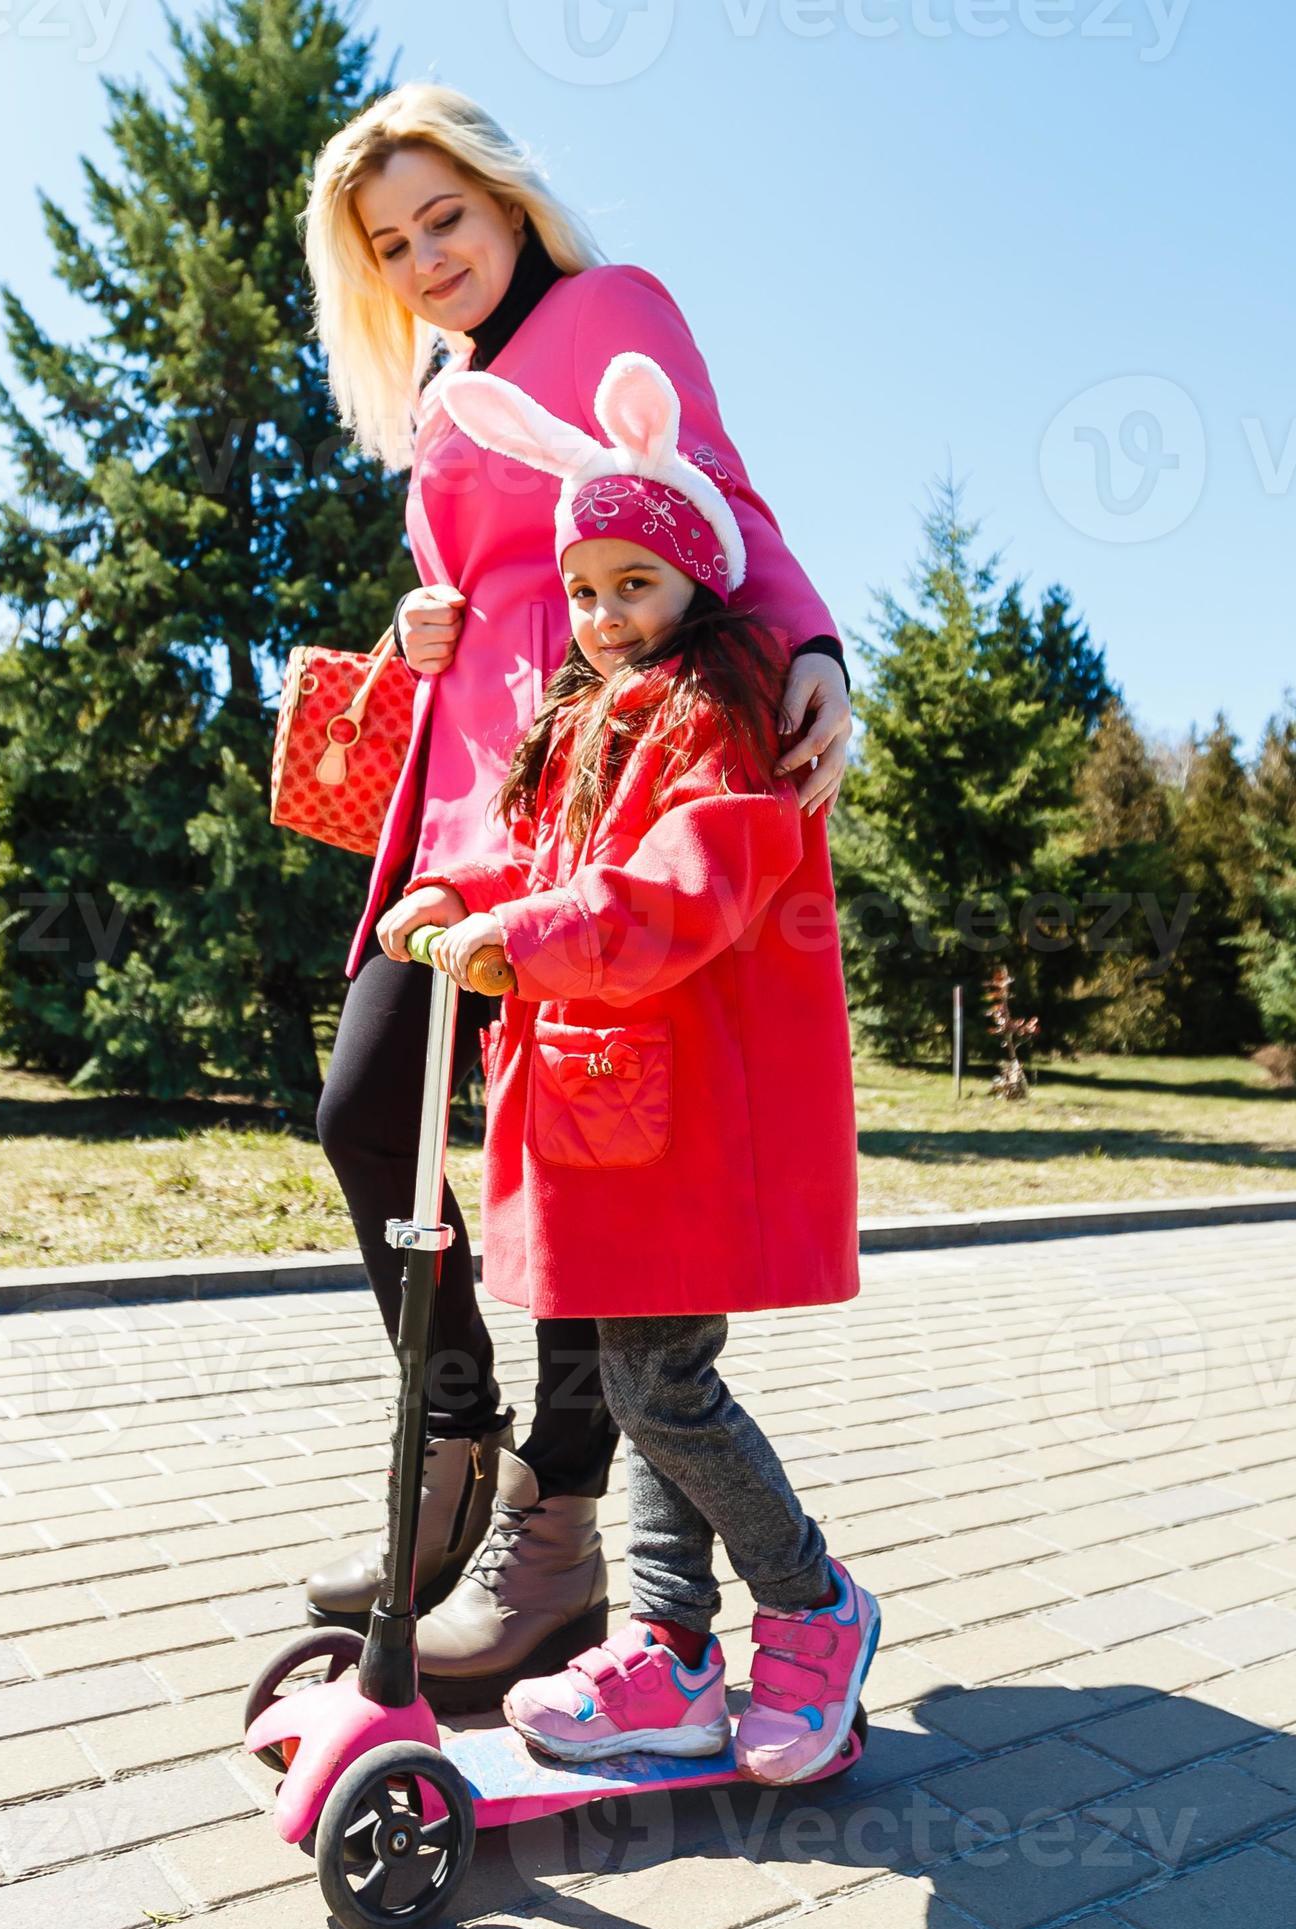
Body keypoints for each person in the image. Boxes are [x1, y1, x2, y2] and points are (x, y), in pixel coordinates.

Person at [296, 82, 855, 1708]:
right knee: (364, 1107)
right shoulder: (446, 389)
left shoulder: (612, 312)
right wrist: (420, 623)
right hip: (464, 802)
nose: (423, 261)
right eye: (390, 249)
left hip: (609, 796)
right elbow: (483, 569)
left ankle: (554, 1540)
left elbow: (723, 498)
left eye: (442, 219)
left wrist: (809, 646)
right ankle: (452, 1443)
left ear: (510, 199)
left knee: (596, 1146)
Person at [380, 345, 876, 1778]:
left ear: (697, 585)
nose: (601, 615)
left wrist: (515, 934)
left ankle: (813, 1608)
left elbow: (671, 897)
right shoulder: (590, 719)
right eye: (583, 588)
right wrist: (457, 902)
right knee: (641, 1387)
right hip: (605, 1113)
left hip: (682, 1119)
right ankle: (667, 1647)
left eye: (633, 587)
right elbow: (540, 865)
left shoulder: (714, 717)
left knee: (664, 1390)